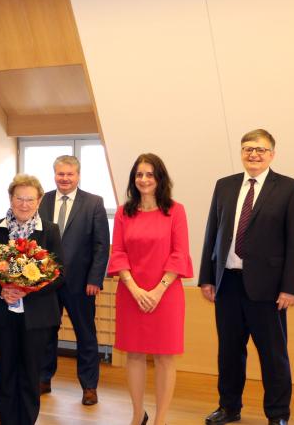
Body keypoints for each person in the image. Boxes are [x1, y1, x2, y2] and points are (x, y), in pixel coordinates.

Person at [199, 129, 294, 425]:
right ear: (241, 152)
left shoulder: (290, 188)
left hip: (269, 290)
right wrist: (207, 277)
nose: (253, 154)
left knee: (273, 356)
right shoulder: (224, 186)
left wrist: (290, 288)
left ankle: (278, 415)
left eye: (260, 149)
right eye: (248, 149)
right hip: (228, 284)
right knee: (229, 352)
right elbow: (213, 234)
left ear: (272, 154)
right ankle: (229, 408)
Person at [108, 153, 192, 425]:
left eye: (149, 174)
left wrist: (157, 290)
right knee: (133, 354)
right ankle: (137, 415)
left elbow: (180, 254)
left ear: (160, 179)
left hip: (166, 294)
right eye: (139, 174)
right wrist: (134, 288)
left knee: (165, 357)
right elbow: (118, 252)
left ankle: (161, 419)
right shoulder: (123, 212)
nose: (144, 179)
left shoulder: (175, 211)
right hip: (131, 292)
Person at [0, 174, 64, 425]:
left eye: (29, 199)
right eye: (19, 198)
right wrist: (1, 290)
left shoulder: (50, 230)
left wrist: (29, 290)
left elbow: (60, 274)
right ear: (10, 199)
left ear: (39, 201)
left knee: (30, 374)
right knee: (5, 373)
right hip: (1, 314)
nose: (24, 204)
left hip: (36, 316)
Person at [38, 155, 110, 405]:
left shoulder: (94, 203)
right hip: (46, 283)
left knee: (86, 335)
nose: (65, 179)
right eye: (60, 174)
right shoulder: (42, 200)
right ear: (54, 174)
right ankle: (43, 378)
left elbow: (102, 245)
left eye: (69, 174)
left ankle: (89, 386)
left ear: (78, 175)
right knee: (47, 332)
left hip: (81, 284)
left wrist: (95, 279)